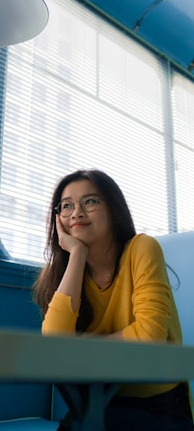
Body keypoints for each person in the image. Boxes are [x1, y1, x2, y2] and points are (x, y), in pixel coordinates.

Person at [33, 168, 194, 431]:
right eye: (66, 206)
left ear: (115, 212)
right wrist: (76, 255)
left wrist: (82, 346)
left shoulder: (142, 248)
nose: (76, 213)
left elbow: (149, 334)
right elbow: (55, 344)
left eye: (90, 201)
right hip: (100, 403)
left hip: (159, 406)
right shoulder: (69, 273)